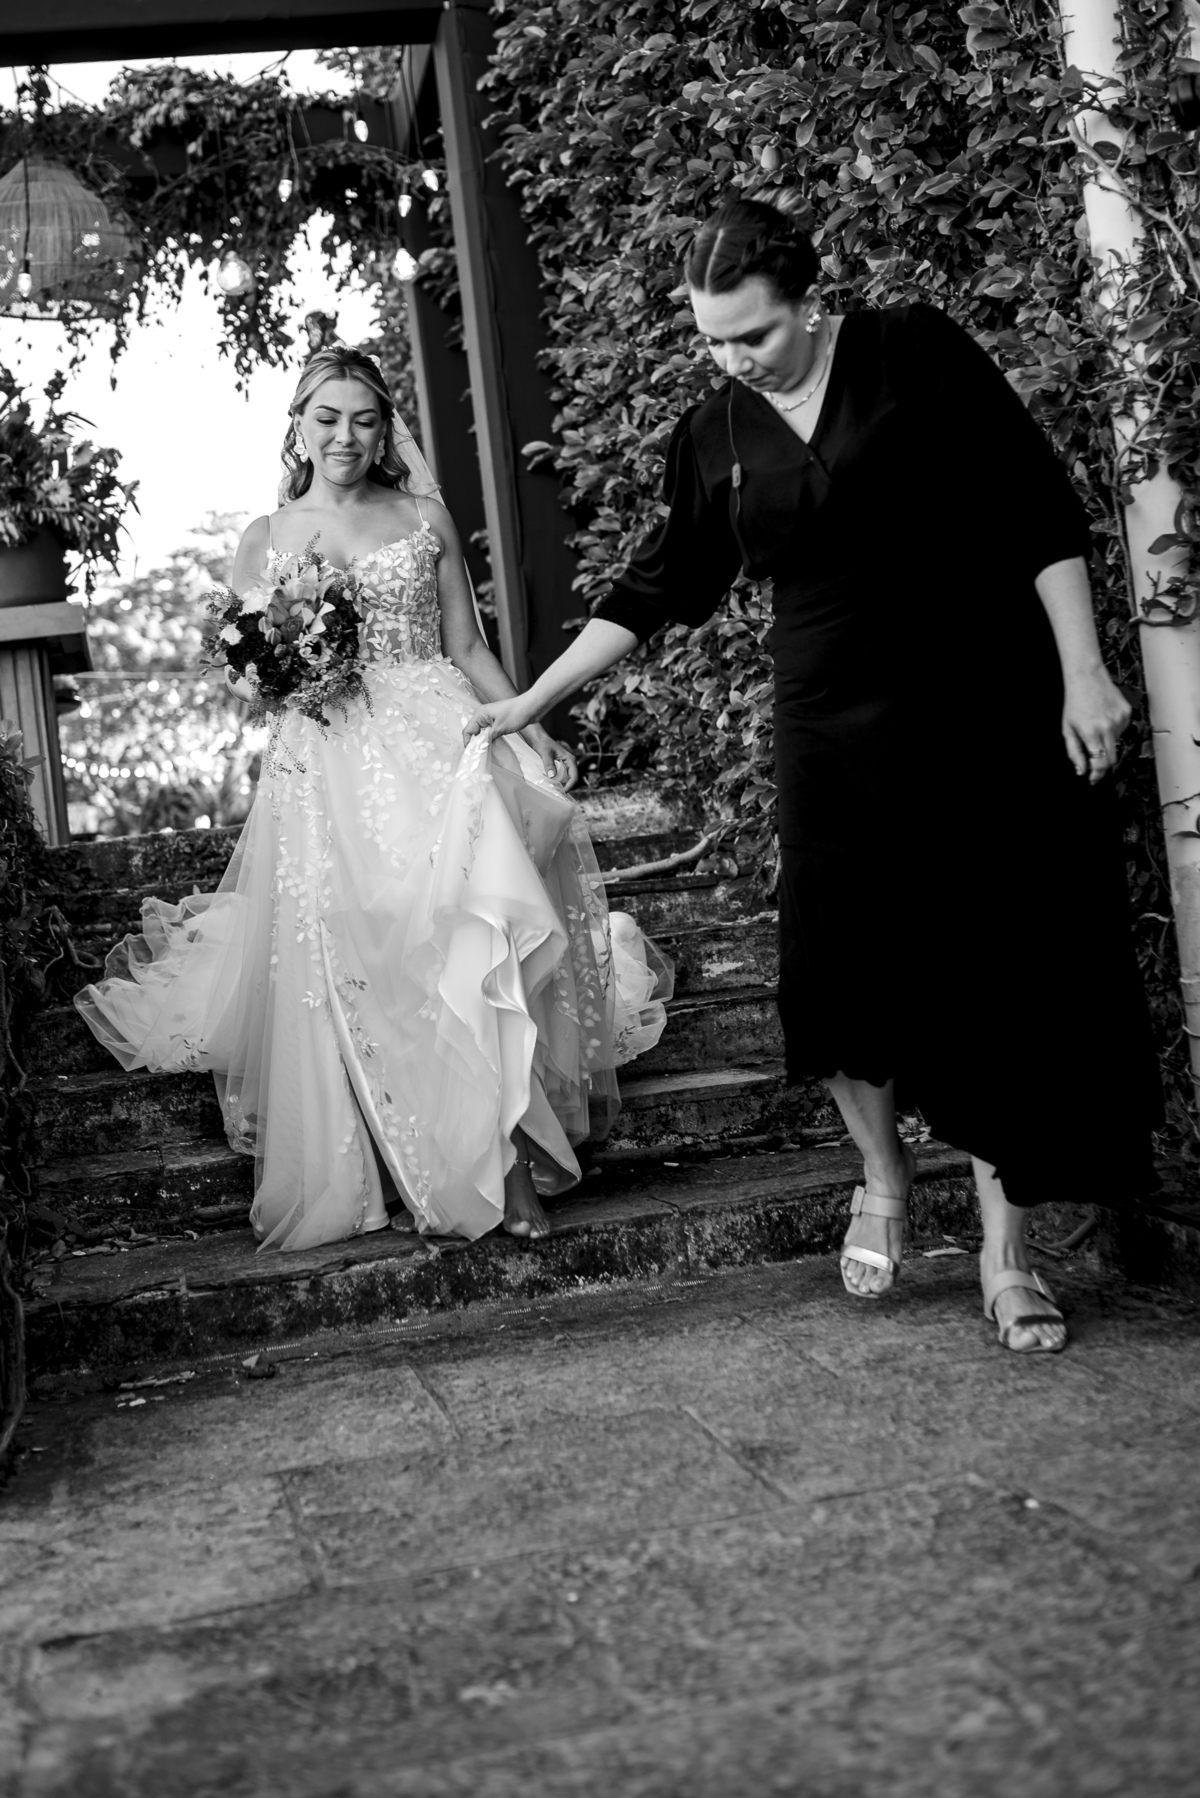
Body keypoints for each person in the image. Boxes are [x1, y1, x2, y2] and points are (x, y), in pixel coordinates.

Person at [464, 195, 1163, 1354]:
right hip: (828, 722)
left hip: (974, 703)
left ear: (811, 305)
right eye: (713, 340)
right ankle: (882, 1180)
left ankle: (1006, 1253)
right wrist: (534, 697)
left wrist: (1082, 673)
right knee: (842, 968)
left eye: (756, 336)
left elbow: (1036, 508)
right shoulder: (712, 430)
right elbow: (659, 583)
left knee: (989, 965)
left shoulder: (911, 350)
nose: (736, 359)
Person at [76, 345, 671, 1251]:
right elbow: (247, 672)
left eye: (364, 417)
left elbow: (466, 648)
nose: (346, 435)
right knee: (369, 949)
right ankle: (397, 1156)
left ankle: (504, 1166)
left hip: (435, 740)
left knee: (466, 930)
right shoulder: (264, 540)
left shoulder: (423, 514)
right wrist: (280, 673)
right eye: (327, 417)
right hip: (328, 762)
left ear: (385, 427)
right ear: (299, 426)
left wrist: (529, 722)